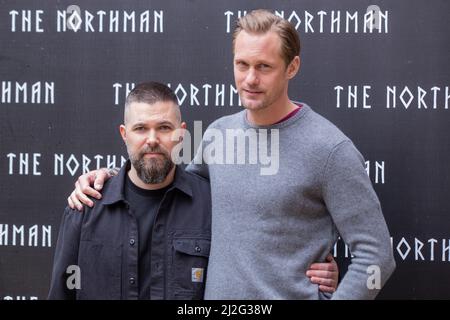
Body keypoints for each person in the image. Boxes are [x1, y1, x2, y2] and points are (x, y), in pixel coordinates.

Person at [69, 9, 396, 299]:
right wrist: (109, 179)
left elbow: (377, 255)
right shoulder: (216, 134)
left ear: (292, 67)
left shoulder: (330, 150)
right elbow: (172, 189)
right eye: (242, 65)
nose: (250, 79)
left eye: (264, 66)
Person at [50, 81, 339, 300]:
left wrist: (313, 275)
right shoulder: (86, 207)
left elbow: (257, 269)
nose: (152, 140)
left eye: (164, 127)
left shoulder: (214, 203)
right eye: (141, 128)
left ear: (182, 134)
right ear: (125, 134)